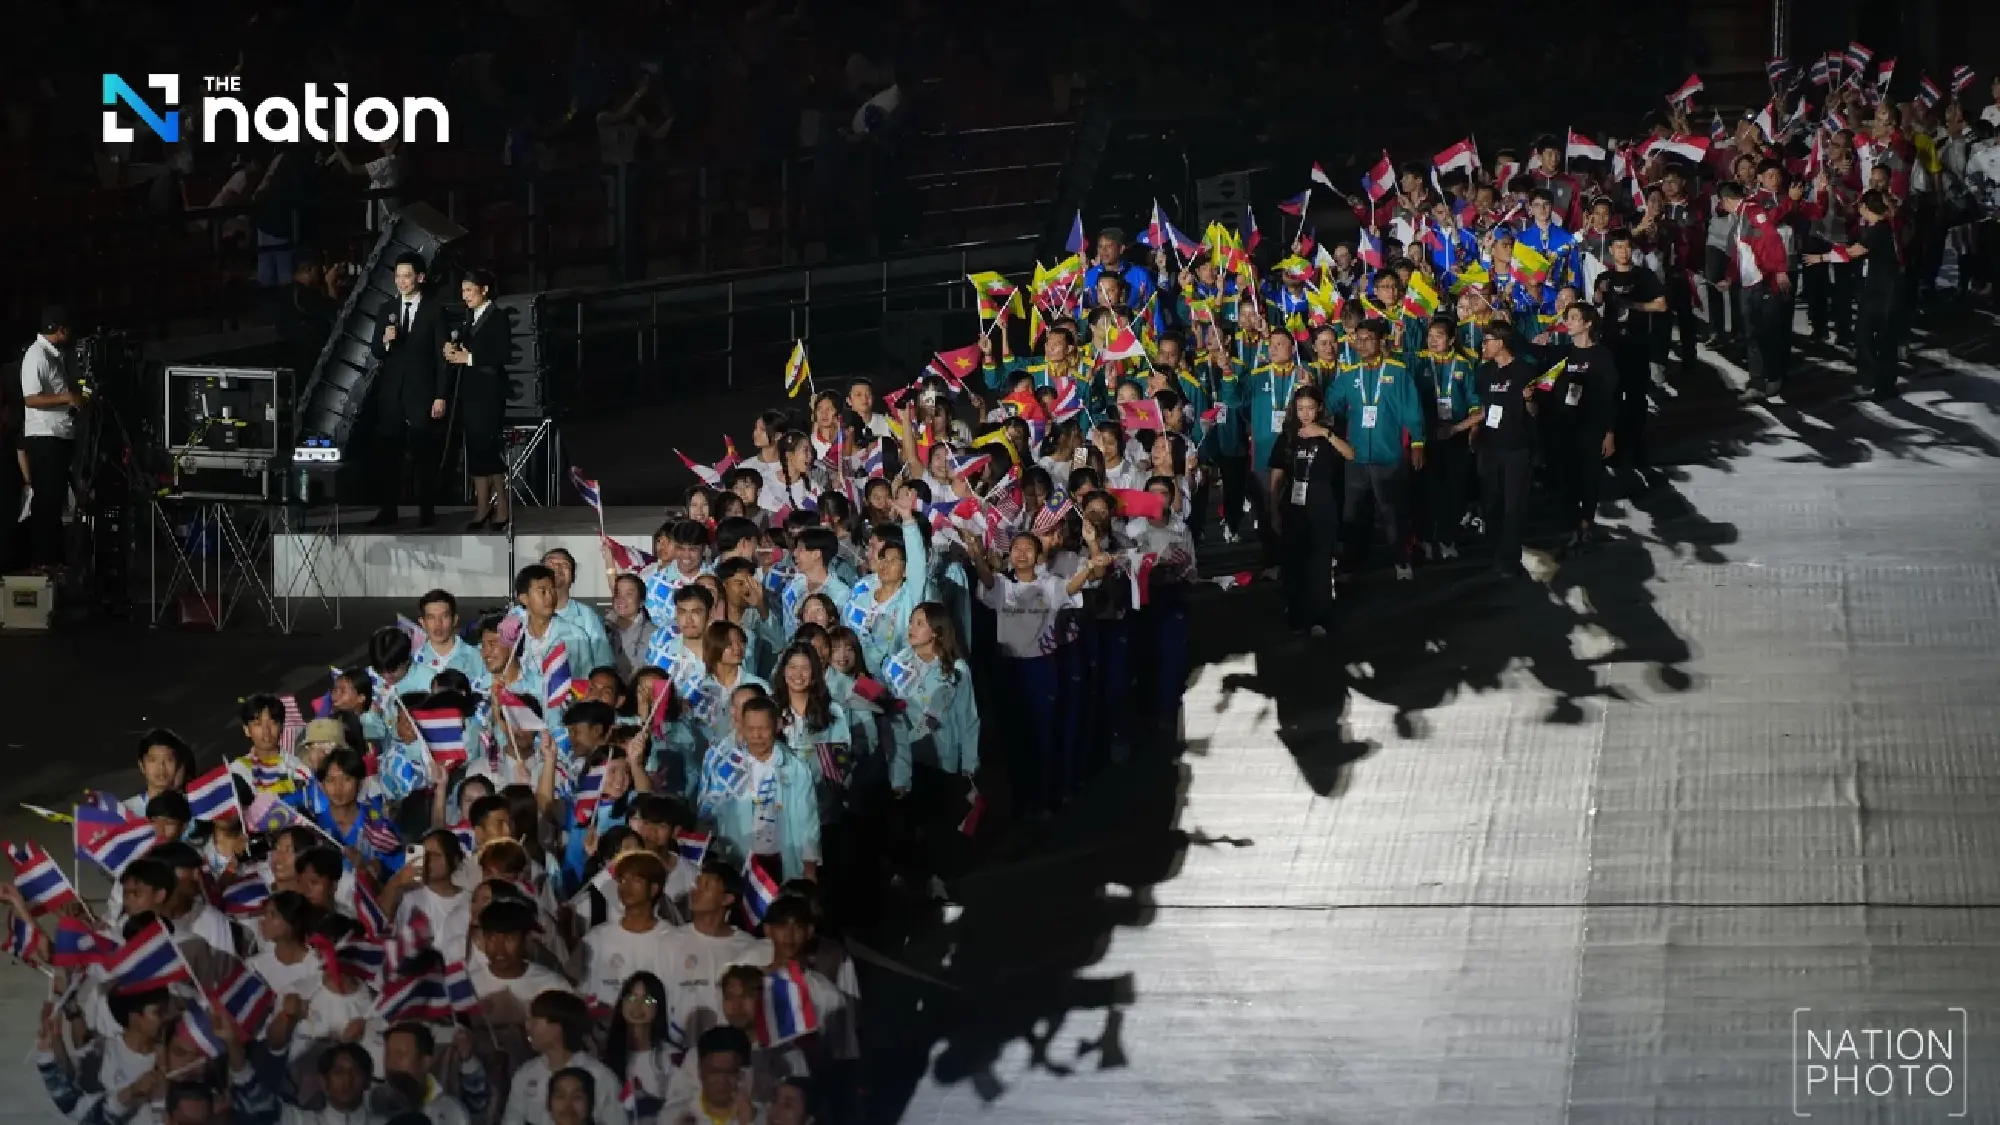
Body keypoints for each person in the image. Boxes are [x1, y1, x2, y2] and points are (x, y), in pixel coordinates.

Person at [369, 252, 450, 528]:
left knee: (423, 452)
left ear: (420, 277)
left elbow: (442, 357)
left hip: (422, 392)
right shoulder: (386, 309)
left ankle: (426, 509)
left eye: (407, 276)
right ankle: (387, 509)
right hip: (392, 393)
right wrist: (385, 339)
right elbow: (376, 351)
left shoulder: (434, 310)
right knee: (388, 452)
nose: (401, 282)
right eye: (398, 276)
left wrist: (440, 395)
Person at [1266, 383, 1348, 636]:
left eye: (1310, 408)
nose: (1305, 414)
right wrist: (1273, 509)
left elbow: (1350, 454)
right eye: (1300, 408)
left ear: (1319, 408)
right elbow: (1276, 477)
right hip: (1293, 505)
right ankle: (1297, 614)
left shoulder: (1328, 433)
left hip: (1322, 504)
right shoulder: (1287, 436)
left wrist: (1325, 434)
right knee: (1293, 563)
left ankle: (1320, 617)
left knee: (1320, 563)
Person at [1806, 190, 1904, 401]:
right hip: (1879, 290)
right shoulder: (1884, 226)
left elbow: (1853, 253)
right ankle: (1874, 381)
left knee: (1875, 338)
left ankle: (1881, 384)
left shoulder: (1879, 230)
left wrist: (1822, 257)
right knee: (1867, 336)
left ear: (1867, 209)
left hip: (1884, 293)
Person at [1544, 304, 1619, 551]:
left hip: (1591, 427)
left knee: (1589, 478)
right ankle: (1570, 525)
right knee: (1565, 478)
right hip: (1563, 427)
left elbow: (1610, 395)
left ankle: (1586, 525)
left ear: (1587, 324)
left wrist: (1609, 432)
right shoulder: (1562, 353)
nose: (1569, 321)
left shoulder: (1601, 356)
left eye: (1575, 318)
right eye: (1568, 317)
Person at [444, 268, 512, 532]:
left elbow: (503, 353)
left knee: (487, 446)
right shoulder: (468, 318)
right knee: (474, 447)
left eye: (470, 290)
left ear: (484, 290)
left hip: (489, 391)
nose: (465, 296)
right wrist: (453, 350)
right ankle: (482, 504)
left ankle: (501, 504)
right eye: (463, 291)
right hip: (469, 391)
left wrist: (469, 358)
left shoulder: (498, 317)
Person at [1473, 326, 1537, 580]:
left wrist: (1529, 400)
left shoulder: (1525, 371)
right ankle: (1494, 550)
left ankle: (1510, 558)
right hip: (1489, 446)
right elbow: (1482, 408)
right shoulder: (1484, 372)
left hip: (1516, 448)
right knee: (1491, 502)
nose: (1483, 346)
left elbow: (1535, 413)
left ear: (1501, 343)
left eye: (1487, 341)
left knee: (1513, 505)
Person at [18, 304, 78, 571]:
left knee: (55, 502)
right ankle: (42, 561)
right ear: (61, 329)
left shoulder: (54, 355)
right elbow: (30, 398)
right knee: (46, 501)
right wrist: (67, 397)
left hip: (59, 435)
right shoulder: (37, 355)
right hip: (45, 437)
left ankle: (52, 559)